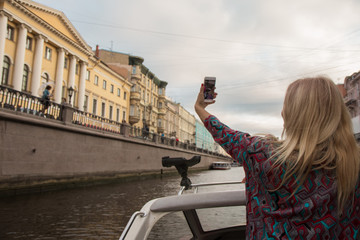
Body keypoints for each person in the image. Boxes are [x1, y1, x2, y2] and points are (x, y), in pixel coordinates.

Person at [194, 76, 360, 239]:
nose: (282, 112)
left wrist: (200, 107)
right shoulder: (353, 163)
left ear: (295, 114)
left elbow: (225, 134)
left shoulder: (262, 154)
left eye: (287, 105)